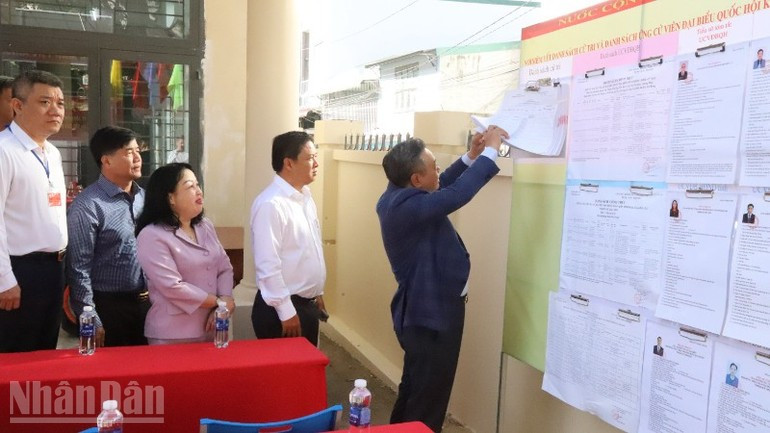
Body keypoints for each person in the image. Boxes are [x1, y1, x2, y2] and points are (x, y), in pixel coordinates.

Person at [376, 126, 507, 432]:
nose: (438, 171)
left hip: (424, 315)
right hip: (431, 317)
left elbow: (442, 185)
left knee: (416, 390)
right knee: (429, 399)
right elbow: (456, 194)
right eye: (433, 167)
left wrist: (472, 156)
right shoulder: (404, 208)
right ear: (416, 180)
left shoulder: (400, 195)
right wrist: (491, 151)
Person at [0, 70, 67, 352]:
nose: (56, 110)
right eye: (44, 102)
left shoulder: (52, 152)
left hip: (54, 269)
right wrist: (4, 280)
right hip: (19, 271)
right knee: (16, 356)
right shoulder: (4, 151)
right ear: (18, 105)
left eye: (60, 103)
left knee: (45, 352)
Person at [135, 163, 235, 344]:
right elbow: (172, 286)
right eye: (190, 186)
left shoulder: (205, 226)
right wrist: (218, 302)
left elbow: (224, 268)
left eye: (198, 185)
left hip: (215, 329)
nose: (198, 191)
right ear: (171, 198)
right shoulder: (152, 234)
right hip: (173, 334)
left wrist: (226, 299)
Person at [67, 126, 148, 347]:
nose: (138, 157)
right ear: (107, 160)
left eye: (138, 151)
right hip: (110, 306)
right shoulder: (88, 205)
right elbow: (78, 268)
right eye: (129, 152)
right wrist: (90, 315)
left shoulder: (145, 198)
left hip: (149, 303)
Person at [250, 131, 327, 347]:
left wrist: (316, 292)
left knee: (305, 376)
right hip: (282, 310)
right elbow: (268, 265)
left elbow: (308, 250)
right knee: (285, 377)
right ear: (289, 163)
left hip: (304, 305)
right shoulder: (271, 205)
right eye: (310, 158)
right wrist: (286, 311)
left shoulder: (304, 198)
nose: (316, 164)